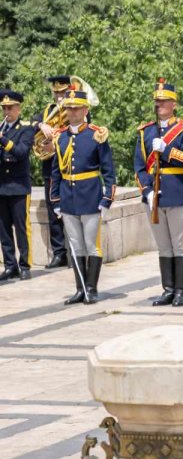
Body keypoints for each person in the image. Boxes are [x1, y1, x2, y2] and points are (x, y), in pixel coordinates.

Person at [134, 79, 183, 307]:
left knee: (178, 244)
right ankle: (168, 289)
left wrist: (168, 150)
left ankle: (181, 291)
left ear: (174, 104)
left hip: (176, 192)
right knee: (163, 245)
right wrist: (148, 190)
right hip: (155, 195)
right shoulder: (145, 132)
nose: (159, 104)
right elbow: (140, 167)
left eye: (164, 101)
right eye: (157, 101)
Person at [49, 83, 115, 305]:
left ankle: (92, 288)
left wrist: (107, 199)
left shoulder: (97, 135)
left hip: (91, 196)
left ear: (86, 110)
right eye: (69, 108)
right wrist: (55, 199)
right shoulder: (61, 137)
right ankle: (80, 289)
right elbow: (56, 172)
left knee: (91, 244)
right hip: (68, 198)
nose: (73, 112)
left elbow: (108, 171)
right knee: (75, 245)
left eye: (77, 108)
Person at [0, 90, 36, 282]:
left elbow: (21, 152)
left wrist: (2, 139)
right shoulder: (2, 128)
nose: (7, 111)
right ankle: (10, 266)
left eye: (10, 107)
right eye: (4, 108)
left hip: (19, 186)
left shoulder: (26, 128)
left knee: (22, 228)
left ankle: (25, 265)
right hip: (2, 186)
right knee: (4, 229)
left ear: (18, 108)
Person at [36, 76, 71, 269]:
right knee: (52, 211)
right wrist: (41, 125)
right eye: (57, 93)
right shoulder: (47, 111)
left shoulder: (77, 109)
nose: (60, 97)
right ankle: (59, 253)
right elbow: (31, 122)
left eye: (63, 93)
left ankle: (76, 252)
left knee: (73, 211)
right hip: (51, 169)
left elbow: (80, 135)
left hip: (70, 169)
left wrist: (55, 143)